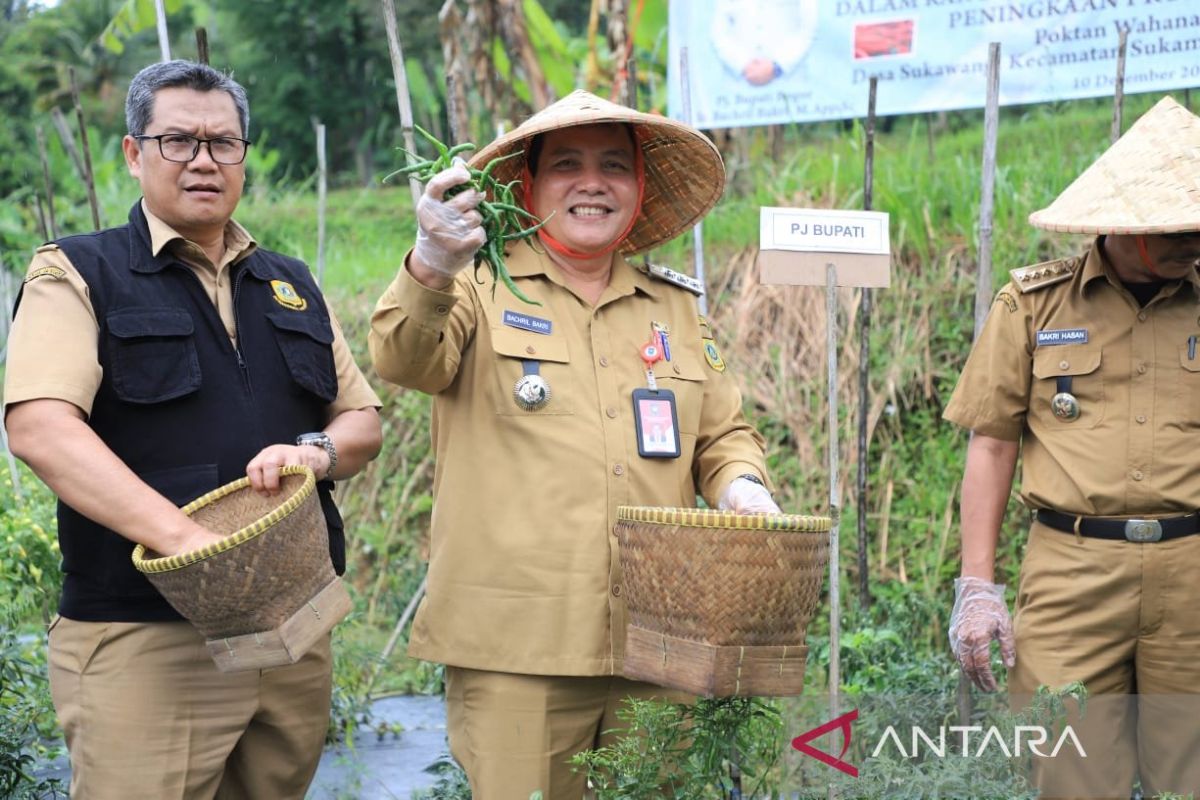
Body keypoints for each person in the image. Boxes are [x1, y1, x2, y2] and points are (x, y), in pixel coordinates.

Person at [369, 89, 781, 798]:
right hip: (518, 647)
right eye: (567, 164)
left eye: (614, 166)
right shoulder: (475, 286)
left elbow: (722, 434)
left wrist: (743, 484)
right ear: (527, 186)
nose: (593, 183)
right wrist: (432, 261)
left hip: (661, 640)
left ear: (640, 187)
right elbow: (404, 360)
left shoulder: (675, 308)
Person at [4, 60, 382, 799]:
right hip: (149, 638)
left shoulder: (290, 282)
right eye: (177, 140)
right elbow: (41, 429)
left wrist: (317, 451)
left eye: (223, 143)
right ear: (133, 153)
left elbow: (361, 420)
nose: (204, 160)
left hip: (290, 633)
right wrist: (192, 547)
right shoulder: (78, 272)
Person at [944, 96, 1200, 797]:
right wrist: (977, 590)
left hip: (1194, 575)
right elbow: (992, 445)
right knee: (1071, 775)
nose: (1192, 241)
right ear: (1122, 221)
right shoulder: (1034, 306)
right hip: (1072, 573)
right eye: (1177, 227)